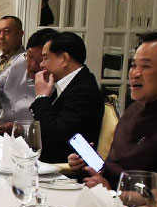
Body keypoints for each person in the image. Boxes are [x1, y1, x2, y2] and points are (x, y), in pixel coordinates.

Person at [67, 32, 157, 207]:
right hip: (106, 201)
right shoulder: (136, 107)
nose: (134, 73)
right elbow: (118, 168)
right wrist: (88, 164)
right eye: (133, 65)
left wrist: (116, 195)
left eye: (146, 66)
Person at [29, 31, 102, 163]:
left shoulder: (83, 90)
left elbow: (54, 137)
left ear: (64, 59)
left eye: (45, 58)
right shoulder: (68, 83)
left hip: (67, 168)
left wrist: (41, 97)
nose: (41, 65)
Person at [0, 28, 54, 134]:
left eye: (40, 60)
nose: (33, 64)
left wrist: (20, 129)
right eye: (30, 56)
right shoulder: (20, 61)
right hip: (0, 130)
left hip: (31, 138)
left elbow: (51, 127)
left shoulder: (56, 81)